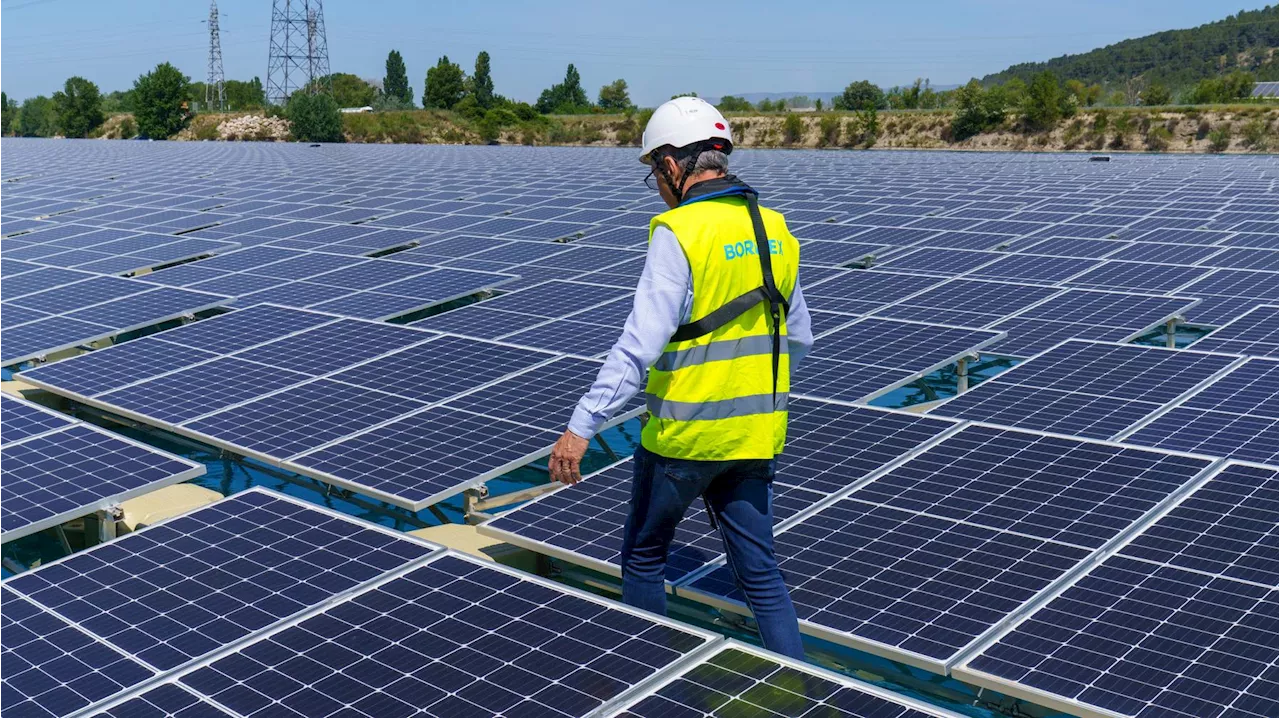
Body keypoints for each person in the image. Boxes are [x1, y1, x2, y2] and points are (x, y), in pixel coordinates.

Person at [548, 96, 812, 660]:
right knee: (761, 577)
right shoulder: (774, 228)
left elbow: (638, 346)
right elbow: (799, 337)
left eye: (654, 173)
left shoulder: (681, 230)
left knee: (644, 557)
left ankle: (651, 685)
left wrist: (580, 426)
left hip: (684, 437)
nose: (657, 184)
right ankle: (801, 692)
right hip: (756, 434)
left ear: (672, 165)